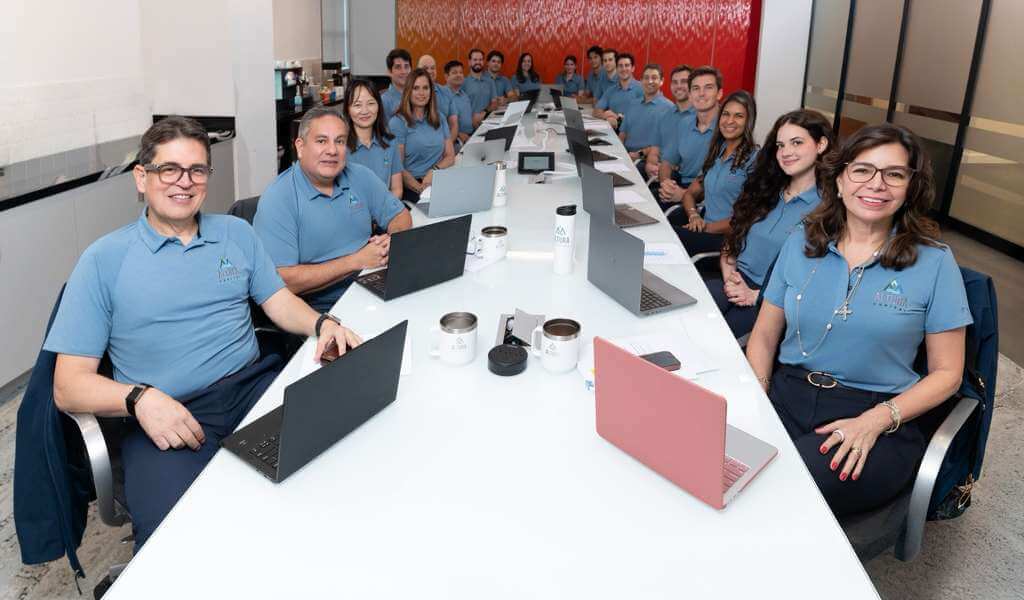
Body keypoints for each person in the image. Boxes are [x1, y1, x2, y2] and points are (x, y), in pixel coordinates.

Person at [45, 116, 363, 551]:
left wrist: (322, 323)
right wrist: (140, 399)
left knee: (335, 478)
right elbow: (67, 387)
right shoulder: (103, 260)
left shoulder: (235, 233)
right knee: (176, 544)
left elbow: (278, 301)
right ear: (141, 177)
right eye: (169, 169)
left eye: (197, 169)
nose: (185, 181)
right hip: (169, 413)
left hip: (254, 391)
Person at [746, 123, 972, 517]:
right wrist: (757, 395)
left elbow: (948, 373)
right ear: (839, 180)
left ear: (910, 188)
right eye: (863, 169)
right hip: (786, 393)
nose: (876, 184)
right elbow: (764, 335)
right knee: (714, 460)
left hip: (876, 414)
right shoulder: (801, 244)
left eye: (894, 174)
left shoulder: (935, 262)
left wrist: (876, 420)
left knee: (777, 488)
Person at [255, 107, 413, 312]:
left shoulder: (360, 176)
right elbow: (283, 280)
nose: (332, 150)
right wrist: (355, 261)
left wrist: (393, 240)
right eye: (321, 141)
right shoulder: (278, 199)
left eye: (339, 141)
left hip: (374, 286)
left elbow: (400, 216)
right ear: (300, 147)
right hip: (322, 311)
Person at [706, 109, 835, 337]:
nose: (786, 152)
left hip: (772, 302)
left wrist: (757, 295)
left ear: (821, 144)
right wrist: (730, 278)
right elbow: (731, 242)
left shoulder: (829, 208)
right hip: (732, 281)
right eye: (780, 145)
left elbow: (818, 281)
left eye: (797, 143)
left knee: (713, 342)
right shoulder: (766, 190)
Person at [672, 90, 758, 258]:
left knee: (668, 238)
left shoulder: (754, 160)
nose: (730, 121)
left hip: (727, 243)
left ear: (749, 121)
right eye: (726, 114)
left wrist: (705, 228)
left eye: (739, 116)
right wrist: (694, 216)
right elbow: (690, 194)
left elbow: (746, 218)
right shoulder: (717, 152)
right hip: (704, 230)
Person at [388, 68, 456, 203]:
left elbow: (450, 156)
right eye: (416, 88)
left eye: (425, 88)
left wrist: (434, 171)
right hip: (414, 186)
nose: (421, 93)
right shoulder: (398, 122)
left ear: (431, 91)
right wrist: (421, 189)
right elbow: (398, 168)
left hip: (439, 178)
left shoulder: (439, 117)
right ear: (408, 91)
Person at [659, 65, 723, 206]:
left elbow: (718, 181)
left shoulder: (727, 128)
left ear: (719, 94)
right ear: (690, 94)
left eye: (708, 87)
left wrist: (684, 195)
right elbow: (667, 162)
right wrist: (666, 184)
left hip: (707, 198)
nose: (701, 94)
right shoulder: (684, 123)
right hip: (681, 185)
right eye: (696, 88)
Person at [343, 79, 404, 199]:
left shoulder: (390, 143)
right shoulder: (339, 147)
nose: (365, 111)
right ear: (348, 110)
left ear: (379, 106)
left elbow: (397, 189)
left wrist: (384, 209)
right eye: (357, 105)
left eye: (371, 103)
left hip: (386, 208)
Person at [644, 64, 693, 182]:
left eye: (684, 82)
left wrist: (666, 169)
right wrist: (650, 165)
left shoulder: (700, 118)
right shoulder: (665, 116)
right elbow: (655, 150)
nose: (678, 86)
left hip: (681, 179)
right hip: (658, 173)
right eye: (675, 82)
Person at [618, 63, 673, 159]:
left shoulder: (669, 108)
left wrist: (639, 154)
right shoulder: (633, 104)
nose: (650, 81)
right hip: (625, 155)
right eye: (646, 78)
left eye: (654, 78)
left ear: (662, 81)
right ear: (641, 81)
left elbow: (666, 143)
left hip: (646, 159)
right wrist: (619, 152)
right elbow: (623, 134)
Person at [594, 52, 643, 128]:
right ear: (616, 69)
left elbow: (644, 116)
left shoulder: (642, 89)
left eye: (627, 65)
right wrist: (606, 116)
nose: (623, 69)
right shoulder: (611, 90)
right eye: (620, 66)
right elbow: (596, 111)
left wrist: (618, 118)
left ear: (633, 68)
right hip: (613, 132)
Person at [463, 48, 497, 129]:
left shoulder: (490, 81)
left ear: (483, 62)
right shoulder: (463, 82)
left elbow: (494, 103)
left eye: (480, 60)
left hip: (488, 124)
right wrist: (472, 119)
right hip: (468, 126)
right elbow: (459, 108)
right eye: (475, 60)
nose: (478, 62)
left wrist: (483, 113)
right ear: (469, 62)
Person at [444, 60, 475, 145]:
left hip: (470, 136)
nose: (459, 75)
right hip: (455, 140)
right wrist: (458, 134)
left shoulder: (464, 95)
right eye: (454, 72)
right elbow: (441, 123)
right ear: (446, 76)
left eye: (461, 72)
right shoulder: (443, 95)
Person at [381, 48, 412, 118]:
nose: (403, 71)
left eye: (406, 66)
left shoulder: (417, 95)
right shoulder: (384, 101)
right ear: (389, 72)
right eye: (398, 67)